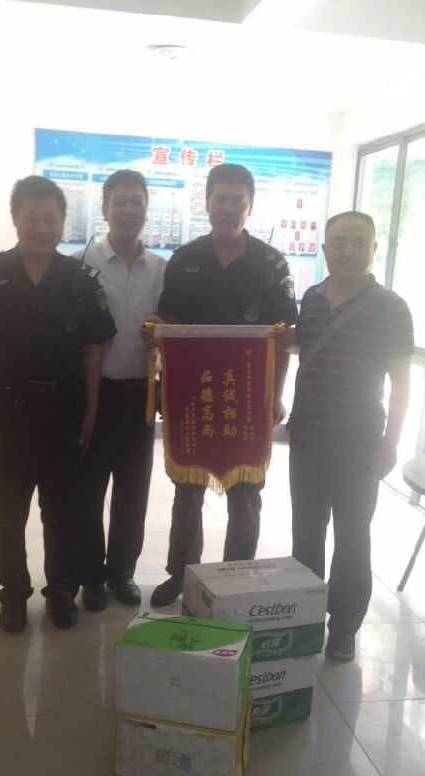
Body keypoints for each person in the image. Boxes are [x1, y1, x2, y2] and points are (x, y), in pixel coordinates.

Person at [0, 175, 116, 633]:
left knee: (62, 510)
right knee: (7, 511)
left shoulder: (79, 279)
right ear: (15, 220)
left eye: (50, 219)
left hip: (64, 410)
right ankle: (13, 595)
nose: (41, 228)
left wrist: (90, 409)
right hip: (8, 409)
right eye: (32, 218)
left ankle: (61, 590)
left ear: (64, 222)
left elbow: (92, 350)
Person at [145, 163, 298, 607]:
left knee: (245, 494)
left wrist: (276, 395)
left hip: (247, 397)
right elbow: (169, 319)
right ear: (207, 202)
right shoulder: (185, 259)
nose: (229, 208)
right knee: (187, 490)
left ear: (250, 206)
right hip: (192, 396)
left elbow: (283, 339)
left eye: (238, 201)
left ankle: (235, 579)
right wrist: (156, 327)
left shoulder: (271, 264)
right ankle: (181, 573)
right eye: (221, 199)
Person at [287, 211, 414, 662]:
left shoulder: (392, 306)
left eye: (359, 242)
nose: (348, 251)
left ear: (374, 249)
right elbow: (300, 349)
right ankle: (304, 618)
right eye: (339, 242)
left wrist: (389, 443)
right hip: (307, 437)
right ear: (325, 249)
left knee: (353, 537)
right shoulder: (310, 299)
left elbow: (402, 382)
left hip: (359, 442)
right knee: (306, 532)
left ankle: (343, 627)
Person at [77, 170, 166, 610]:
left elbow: (173, 325)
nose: (129, 211)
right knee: (89, 489)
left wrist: (164, 329)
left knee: (133, 490)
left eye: (137, 202)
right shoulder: (82, 264)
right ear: (105, 209)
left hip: (140, 395)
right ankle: (91, 576)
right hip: (93, 395)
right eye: (120, 202)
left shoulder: (162, 270)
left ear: (147, 210)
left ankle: (122, 573)